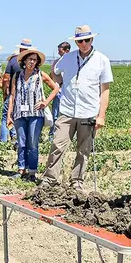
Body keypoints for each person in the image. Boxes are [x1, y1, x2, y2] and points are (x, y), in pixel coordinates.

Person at [42, 25, 113, 189]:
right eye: (80, 41)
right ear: (76, 42)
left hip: (88, 112)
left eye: (86, 40)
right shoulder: (68, 58)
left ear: (92, 39)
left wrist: (101, 115)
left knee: (83, 150)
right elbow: (55, 70)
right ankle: (50, 179)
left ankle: (77, 181)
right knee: (57, 145)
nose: (83, 43)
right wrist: (58, 83)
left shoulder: (102, 60)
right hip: (67, 110)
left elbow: (105, 91)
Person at [6, 47, 60, 181]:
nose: (32, 62)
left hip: (36, 114)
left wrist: (46, 102)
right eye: (30, 59)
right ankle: (21, 169)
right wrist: (9, 114)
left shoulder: (40, 75)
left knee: (33, 143)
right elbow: (12, 95)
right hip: (19, 114)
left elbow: (55, 88)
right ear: (24, 60)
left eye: (35, 60)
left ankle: (32, 172)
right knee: (21, 142)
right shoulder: (17, 76)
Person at [0, 38, 33, 142]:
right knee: (21, 117)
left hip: (13, 94)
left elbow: (6, 79)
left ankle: (3, 140)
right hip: (27, 96)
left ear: (20, 49)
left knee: (6, 116)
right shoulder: (33, 62)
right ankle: (18, 139)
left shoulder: (13, 61)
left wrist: (5, 93)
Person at [48, 42, 70, 139]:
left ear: (67, 51)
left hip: (69, 92)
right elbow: (51, 75)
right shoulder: (56, 62)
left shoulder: (72, 62)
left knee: (68, 114)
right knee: (55, 114)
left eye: (60, 51)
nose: (58, 53)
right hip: (59, 91)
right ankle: (53, 134)